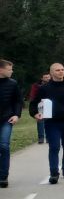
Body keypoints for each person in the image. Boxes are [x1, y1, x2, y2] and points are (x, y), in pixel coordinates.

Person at [0, 59, 22, 188]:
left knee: (4, 145)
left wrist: (16, 114)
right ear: (1, 70)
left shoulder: (12, 84)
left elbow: (18, 101)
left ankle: (3, 176)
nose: (12, 71)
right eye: (9, 69)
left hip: (6, 119)